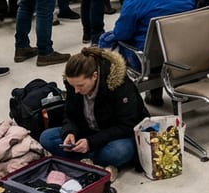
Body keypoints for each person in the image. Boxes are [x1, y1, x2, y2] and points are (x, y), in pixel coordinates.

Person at [38, 47, 148, 176]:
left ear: (94, 76)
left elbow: (128, 125)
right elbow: (69, 115)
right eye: (72, 86)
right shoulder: (74, 85)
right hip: (88, 133)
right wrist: (70, 132)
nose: (76, 91)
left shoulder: (119, 85)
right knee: (46, 137)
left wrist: (91, 142)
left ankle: (79, 161)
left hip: (115, 136)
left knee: (120, 151)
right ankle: (95, 163)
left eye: (80, 85)